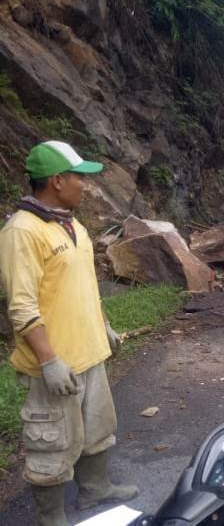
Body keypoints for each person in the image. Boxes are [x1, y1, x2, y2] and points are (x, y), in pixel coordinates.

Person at [0, 141, 138, 526]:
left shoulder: (70, 223)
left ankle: (95, 489)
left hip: (89, 351)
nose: (86, 185)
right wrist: (49, 360)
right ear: (57, 181)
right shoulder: (21, 231)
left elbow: (83, 286)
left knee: (96, 429)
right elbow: (22, 306)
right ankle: (52, 518)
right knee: (52, 445)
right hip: (56, 363)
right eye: (79, 177)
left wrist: (103, 324)